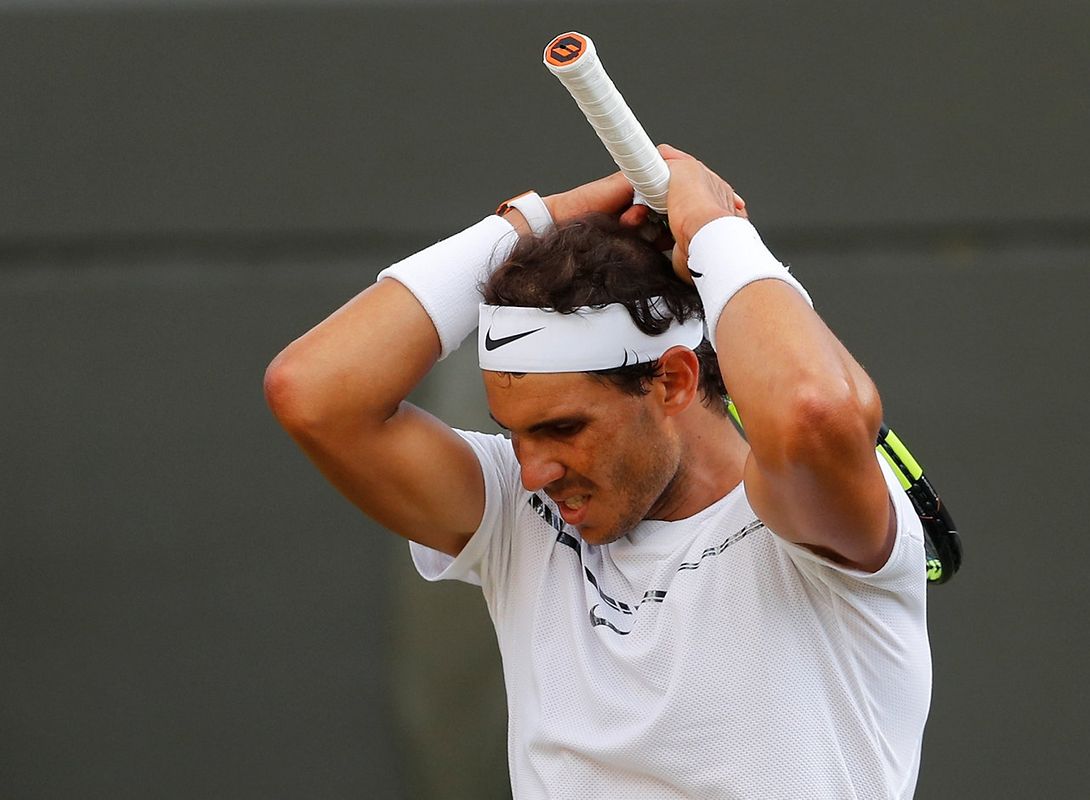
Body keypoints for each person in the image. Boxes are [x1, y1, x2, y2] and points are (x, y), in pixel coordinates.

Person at [264, 145, 931, 799]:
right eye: (515, 434)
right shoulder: (517, 513)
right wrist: (536, 221)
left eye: (563, 428)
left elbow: (814, 410)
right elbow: (313, 394)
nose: (532, 472)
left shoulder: (803, 518)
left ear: (673, 381)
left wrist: (715, 230)